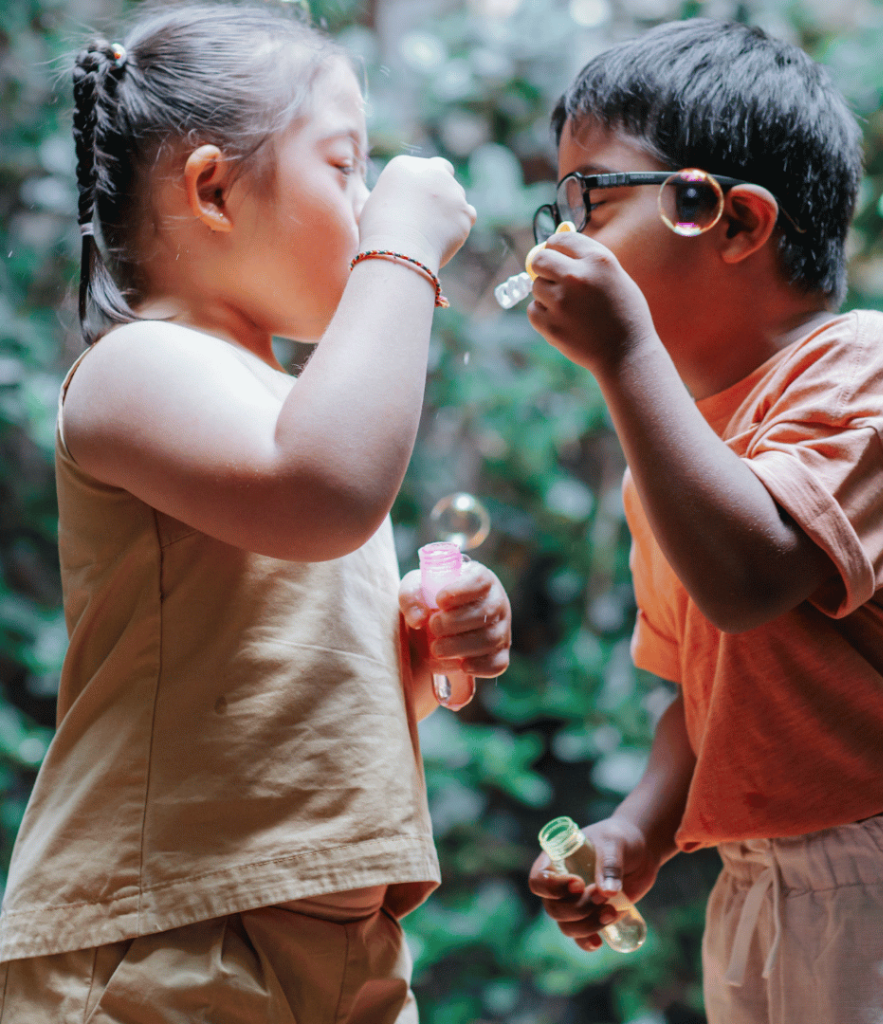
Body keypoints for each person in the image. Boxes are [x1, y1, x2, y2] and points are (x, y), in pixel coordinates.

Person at [0, 3, 512, 1021]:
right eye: (344, 168)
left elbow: (271, 682)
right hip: (173, 931)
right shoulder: (136, 366)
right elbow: (321, 492)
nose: (369, 205)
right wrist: (403, 246)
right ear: (213, 189)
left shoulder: (293, 413)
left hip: (338, 936)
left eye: (372, 181)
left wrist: (414, 649)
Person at [526, 18, 883, 1024]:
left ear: (734, 221)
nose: (561, 237)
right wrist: (636, 832)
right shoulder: (668, 463)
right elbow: (705, 698)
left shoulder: (866, 367)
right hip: (758, 894)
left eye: (592, 196)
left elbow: (749, 581)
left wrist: (626, 357)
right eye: (558, 200)